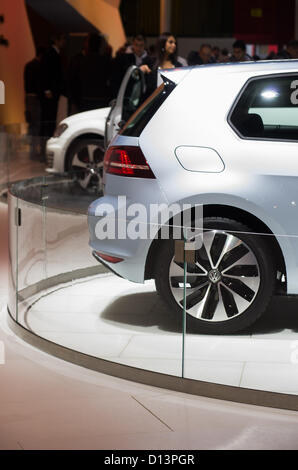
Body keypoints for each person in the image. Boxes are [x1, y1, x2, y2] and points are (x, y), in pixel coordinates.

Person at [74, 33, 112, 112]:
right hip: (101, 101)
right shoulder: (105, 61)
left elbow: (75, 82)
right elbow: (110, 81)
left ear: (89, 45)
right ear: (100, 45)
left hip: (85, 100)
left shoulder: (81, 61)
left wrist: (76, 101)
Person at [140, 32, 183, 98]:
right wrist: (140, 70)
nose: (174, 45)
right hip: (152, 102)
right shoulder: (150, 61)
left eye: (175, 43)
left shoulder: (178, 65)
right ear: (162, 43)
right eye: (171, 42)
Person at [41, 33, 66, 140]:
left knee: (51, 116)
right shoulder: (50, 53)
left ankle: (47, 138)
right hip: (50, 91)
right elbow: (45, 72)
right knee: (48, 117)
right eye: (62, 39)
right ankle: (45, 140)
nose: (64, 42)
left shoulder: (55, 53)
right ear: (57, 41)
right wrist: (47, 90)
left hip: (53, 90)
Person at [24, 45, 46, 160]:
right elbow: (39, 85)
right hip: (36, 99)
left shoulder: (28, 65)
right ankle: (34, 151)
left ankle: (31, 151)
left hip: (28, 98)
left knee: (31, 124)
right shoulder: (39, 66)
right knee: (36, 125)